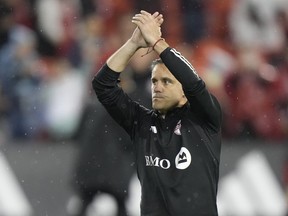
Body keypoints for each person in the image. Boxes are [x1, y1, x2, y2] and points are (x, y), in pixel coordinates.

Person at [92, 10, 222, 215]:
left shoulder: (205, 120)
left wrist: (157, 43)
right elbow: (103, 86)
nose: (158, 87)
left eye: (167, 81)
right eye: (154, 81)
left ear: (184, 93)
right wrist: (133, 44)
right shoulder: (141, 123)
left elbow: (195, 84)